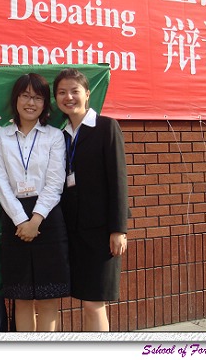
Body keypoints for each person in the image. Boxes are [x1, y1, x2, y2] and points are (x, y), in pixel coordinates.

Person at [0, 73, 69, 331]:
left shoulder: (54, 136)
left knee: (48, 297)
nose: (31, 103)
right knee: (21, 297)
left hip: (47, 217)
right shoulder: (0, 136)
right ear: (16, 99)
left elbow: (55, 182)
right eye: (25, 96)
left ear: (45, 103)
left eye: (38, 97)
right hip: (14, 218)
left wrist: (35, 220)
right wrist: (21, 220)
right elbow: (0, 181)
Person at [53, 68, 129, 331]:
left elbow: (118, 179)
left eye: (74, 91)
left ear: (87, 94)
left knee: (94, 303)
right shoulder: (60, 135)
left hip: (100, 231)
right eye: (62, 92)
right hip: (71, 230)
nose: (68, 97)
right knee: (83, 299)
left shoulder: (106, 127)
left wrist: (118, 229)